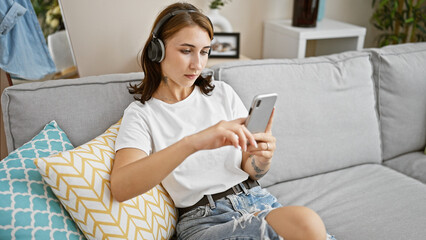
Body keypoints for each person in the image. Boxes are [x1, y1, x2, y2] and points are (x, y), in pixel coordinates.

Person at [111, 2, 335, 240]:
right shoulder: (142, 114)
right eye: (186, 51)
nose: (197, 64)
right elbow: (121, 187)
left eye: (204, 51)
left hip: (258, 201)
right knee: (306, 223)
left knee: (305, 226)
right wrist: (194, 142)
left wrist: (261, 159)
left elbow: (251, 170)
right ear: (157, 50)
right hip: (203, 222)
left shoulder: (222, 93)